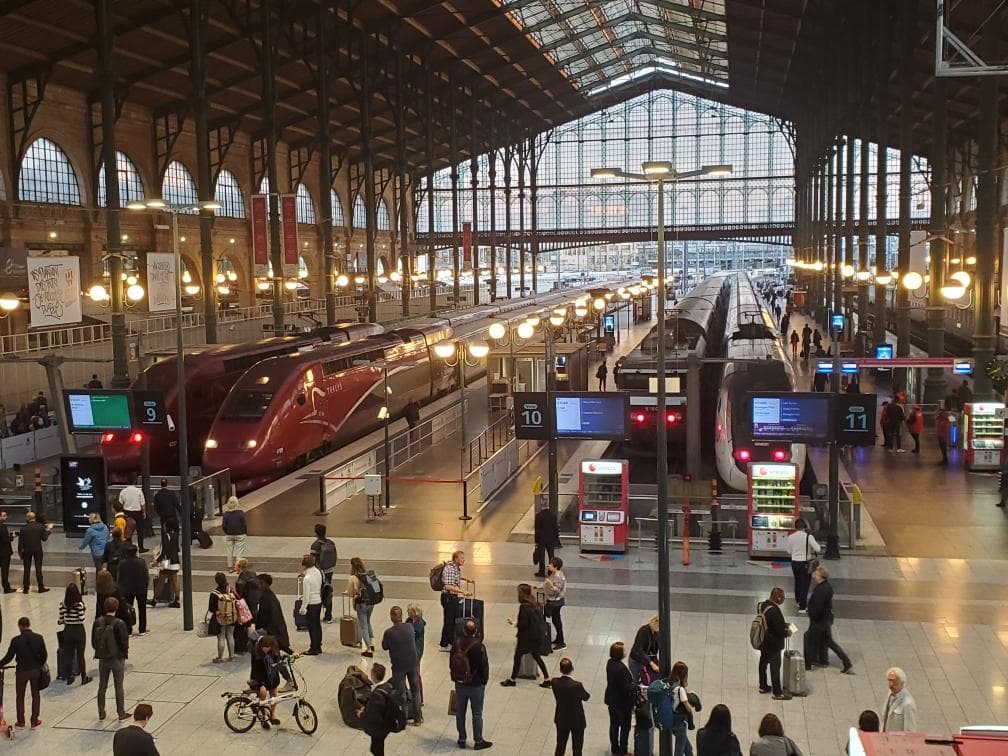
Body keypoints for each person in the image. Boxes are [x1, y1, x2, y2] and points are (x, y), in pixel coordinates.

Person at [450, 618, 492, 750]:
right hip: (476, 685)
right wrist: (484, 681)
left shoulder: (456, 644)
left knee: (460, 713)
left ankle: (462, 739)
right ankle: (478, 741)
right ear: (477, 631)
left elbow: (451, 662)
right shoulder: (479, 646)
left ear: (464, 630)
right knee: (477, 713)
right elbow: (484, 666)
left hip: (460, 683)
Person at [499, 583, 551, 688]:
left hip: (526, 638)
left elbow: (524, 624)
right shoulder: (534, 603)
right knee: (536, 656)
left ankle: (512, 680)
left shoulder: (524, 606)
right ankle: (547, 678)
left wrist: (515, 624)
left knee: (517, 657)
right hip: (536, 636)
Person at [0, 616, 46, 729]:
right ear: (29, 625)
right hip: (35, 671)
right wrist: (39, 665)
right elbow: (44, 655)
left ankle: (21, 721)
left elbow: (9, 657)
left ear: (20, 626)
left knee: (20, 696)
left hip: (21, 672)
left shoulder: (16, 640)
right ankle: (34, 720)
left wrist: (0, 664)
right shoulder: (39, 638)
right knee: (36, 695)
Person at [804, 566, 852, 674]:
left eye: (816, 574)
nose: (814, 576)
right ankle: (846, 661)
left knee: (809, 641)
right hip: (826, 620)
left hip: (818, 622)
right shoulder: (828, 587)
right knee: (830, 642)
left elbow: (817, 607)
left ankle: (807, 665)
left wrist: (810, 613)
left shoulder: (820, 590)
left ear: (821, 576)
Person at [381, 605, 422, 725]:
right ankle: (418, 719)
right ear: (401, 616)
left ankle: (403, 719)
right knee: (415, 690)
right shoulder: (409, 627)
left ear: (392, 617)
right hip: (413, 663)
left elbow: (384, 646)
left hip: (399, 666)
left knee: (401, 693)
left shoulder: (389, 632)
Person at [92, 596, 131, 721]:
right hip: (117, 658)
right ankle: (121, 713)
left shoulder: (98, 622)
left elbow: (94, 641)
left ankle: (101, 712)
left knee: (102, 686)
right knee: (118, 686)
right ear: (117, 608)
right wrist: (124, 654)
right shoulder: (119, 623)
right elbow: (124, 641)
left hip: (103, 658)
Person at [649, 661, 695, 756]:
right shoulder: (680, 689)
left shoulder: (668, 683)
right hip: (680, 722)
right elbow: (688, 707)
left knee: (688, 747)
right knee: (679, 750)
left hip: (671, 719)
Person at [756, 587, 792, 700]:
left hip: (764, 641)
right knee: (775, 667)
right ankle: (777, 692)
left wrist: (783, 624)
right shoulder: (775, 610)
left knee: (763, 663)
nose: (784, 600)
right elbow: (779, 630)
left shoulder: (763, 605)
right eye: (783, 598)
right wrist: (788, 631)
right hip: (774, 644)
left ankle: (763, 686)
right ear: (778, 598)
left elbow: (770, 623)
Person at [552, 657, 589, 756]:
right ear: (572, 669)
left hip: (561, 717)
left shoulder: (554, 682)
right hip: (576, 720)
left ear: (560, 670)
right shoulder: (577, 685)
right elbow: (586, 697)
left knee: (560, 744)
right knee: (577, 746)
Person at [604, 641, 636, 756]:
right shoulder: (621, 669)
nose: (625, 652)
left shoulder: (610, 663)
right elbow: (626, 688)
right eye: (623, 650)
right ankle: (623, 750)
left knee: (614, 724)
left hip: (612, 699)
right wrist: (635, 686)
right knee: (625, 727)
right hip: (622, 703)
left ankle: (614, 747)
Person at [362, 662, 400, 755]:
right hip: (386, 723)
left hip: (379, 726)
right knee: (376, 747)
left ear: (373, 676)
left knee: (377, 749)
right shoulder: (387, 687)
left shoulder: (377, 694)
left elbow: (374, 713)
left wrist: (363, 714)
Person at [58, 582, 91, 685]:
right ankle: (83, 677)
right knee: (81, 655)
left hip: (67, 631)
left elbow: (60, 620)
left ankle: (69, 677)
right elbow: (81, 619)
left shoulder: (63, 605)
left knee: (69, 655)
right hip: (78, 631)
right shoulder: (79, 605)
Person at [438, 550, 471, 650]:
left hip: (452, 597)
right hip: (448, 597)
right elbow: (448, 585)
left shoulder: (455, 568)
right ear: (456, 559)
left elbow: (454, 578)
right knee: (449, 621)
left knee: (452, 620)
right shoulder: (450, 569)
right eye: (462, 558)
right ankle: (445, 644)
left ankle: (448, 641)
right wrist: (463, 592)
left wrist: (465, 579)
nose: (464, 560)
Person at [249, 634, 282, 728]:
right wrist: (261, 684)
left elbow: (278, 659)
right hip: (259, 677)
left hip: (271, 677)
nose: (266, 650)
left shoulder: (274, 651)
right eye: (264, 647)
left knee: (274, 694)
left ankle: (273, 715)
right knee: (263, 693)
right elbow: (256, 670)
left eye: (268, 647)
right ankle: (262, 715)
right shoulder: (256, 653)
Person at [254, 573, 291, 655]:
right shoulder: (270, 595)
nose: (258, 585)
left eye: (260, 583)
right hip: (275, 630)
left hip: (270, 631)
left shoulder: (266, 598)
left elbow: (264, 616)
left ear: (265, 583)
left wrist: (259, 630)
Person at [786, 519, 819, 612]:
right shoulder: (809, 536)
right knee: (805, 584)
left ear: (795, 527)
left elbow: (788, 551)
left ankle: (798, 601)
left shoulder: (791, 537)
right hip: (805, 563)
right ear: (805, 527)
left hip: (794, 562)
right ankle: (803, 606)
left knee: (797, 582)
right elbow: (818, 548)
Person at [117, 545, 149, 636]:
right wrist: (145, 585)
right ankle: (142, 629)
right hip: (140, 588)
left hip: (127, 589)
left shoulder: (122, 563)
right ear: (136, 552)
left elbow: (119, 577)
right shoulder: (141, 562)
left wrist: (121, 588)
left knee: (127, 609)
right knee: (142, 609)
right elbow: (146, 575)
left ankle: (128, 629)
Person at [347, 556, 375, 657]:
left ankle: (368, 649)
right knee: (368, 621)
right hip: (371, 602)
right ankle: (371, 643)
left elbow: (351, 593)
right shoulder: (370, 574)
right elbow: (376, 588)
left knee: (363, 626)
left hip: (361, 604)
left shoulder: (353, 578)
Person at [309, 523, 337, 622]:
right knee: (328, 591)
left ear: (316, 533)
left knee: (318, 593)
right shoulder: (331, 543)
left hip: (319, 572)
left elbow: (311, 561)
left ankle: (316, 615)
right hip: (329, 570)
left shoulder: (315, 545)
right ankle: (328, 615)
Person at [18, 511, 50, 593]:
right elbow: (44, 539)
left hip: (27, 550)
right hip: (37, 550)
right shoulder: (40, 527)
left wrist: (20, 553)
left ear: (27, 518)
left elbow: (20, 543)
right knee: (38, 569)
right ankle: (41, 587)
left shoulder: (23, 529)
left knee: (26, 569)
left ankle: (25, 588)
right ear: (34, 518)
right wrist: (48, 531)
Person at [208, 572, 236, 663]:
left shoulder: (215, 593)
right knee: (230, 635)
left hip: (220, 618)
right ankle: (232, 656)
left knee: (221, 637)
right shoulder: (230, 590)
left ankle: (220, 657)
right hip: (231, 616)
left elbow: (211, 608)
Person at [299, 554, 324, 654]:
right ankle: (318, 645)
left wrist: (303, 608)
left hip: (311, 604)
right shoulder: (317, 572)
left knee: (312, 627)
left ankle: (313, 648)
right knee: (317, 625)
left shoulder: (307, 579)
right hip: (318, 601)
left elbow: (306, 596)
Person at [882, 667, 918, 732]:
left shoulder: (908, 704)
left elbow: (910, 730)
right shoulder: (890, 693)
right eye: (889, 680)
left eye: (894, 681)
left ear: (902, 682)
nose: (890, 685)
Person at [542, 556, 566, 650]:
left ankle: (561, 641)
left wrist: (550, 584)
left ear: (555, 566)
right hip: (552, 600)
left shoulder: (559, 577)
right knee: (556, 620)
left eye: (551, 564)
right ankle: (559, 639)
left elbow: (557, 589)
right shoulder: (553, 574)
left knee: (556, 620)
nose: (549, 565)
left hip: (556, 602)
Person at [629, 616, 661, 684]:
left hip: (645, 659)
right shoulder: (643, 631)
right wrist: (651, 663)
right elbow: (639, 650)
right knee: (636, 680)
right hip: (636, 660)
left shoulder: (655, 632)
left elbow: (656, 645)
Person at [221, 496, 248, 572]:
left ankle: (230, 567)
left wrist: (227, 532)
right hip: (240, 534)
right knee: (239, 551)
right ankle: (238, 567)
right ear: (237, 504)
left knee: (229, 551)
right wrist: (245, 532)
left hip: (229, 534)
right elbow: (244, 524)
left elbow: (224, 526)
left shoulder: (225, 514)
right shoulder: (241, 513)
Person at [533, 500, 559, 578]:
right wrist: (556, 538)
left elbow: (537, 530)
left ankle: (541, 572)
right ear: (548, 506)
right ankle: (551, 571)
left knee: (541, 556)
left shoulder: (538, 516)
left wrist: (536, 541)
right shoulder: (553, 515)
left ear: (541, 506)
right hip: (550, 539)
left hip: (541, 539)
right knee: (551, 555)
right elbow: (555, 528)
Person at [118, 483, 147, 552]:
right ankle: (141, 547)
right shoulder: (138, 491)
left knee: (128, 530)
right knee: (140, 531)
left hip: (127, 512)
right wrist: (144, 512)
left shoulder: (123, 491)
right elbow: (142, 503)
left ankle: (129, 546)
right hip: (137, 512)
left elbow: (120, 503)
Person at [0, 510, 16, 592]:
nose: (6, 517)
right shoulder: (2, 526)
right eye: (4, 516)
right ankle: (6, 587)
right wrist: (12, 537)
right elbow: (5, 540)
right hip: (4, 552)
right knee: (4, 570)